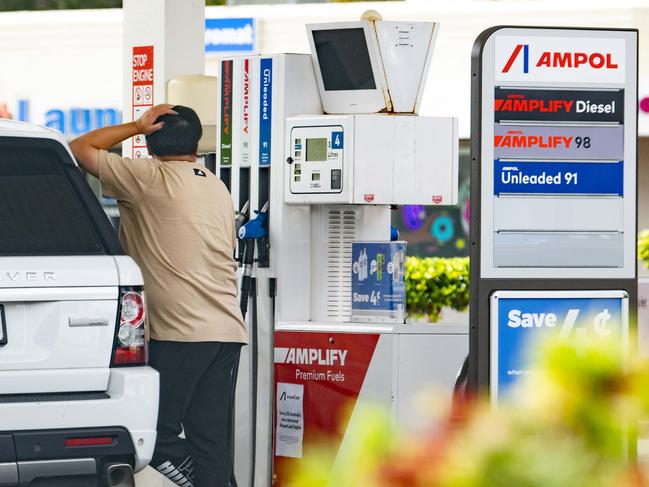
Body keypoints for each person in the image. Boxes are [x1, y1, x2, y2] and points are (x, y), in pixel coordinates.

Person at [70, 104, 248, 487]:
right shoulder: (215, 184)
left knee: (155, 430)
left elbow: (79, 147)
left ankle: (198, 479)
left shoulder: (148, 176)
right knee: (211, 440)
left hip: (179, 333)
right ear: (197, 144)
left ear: (150, 143)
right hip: (226, 332)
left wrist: (135, 125)